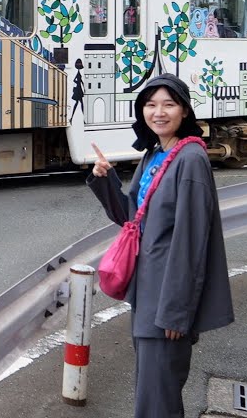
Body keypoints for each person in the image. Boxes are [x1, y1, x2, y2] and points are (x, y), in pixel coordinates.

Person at [87, 73, 234, 418]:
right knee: (152, 396)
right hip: (148, 293)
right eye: (151, 105)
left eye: (169, 104)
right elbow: (131, 219)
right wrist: (104, 178)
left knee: (157, 401)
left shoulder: (191, 160)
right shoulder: (156, 154)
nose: (159, 112)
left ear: (184, 110)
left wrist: (176, 311)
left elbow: (191, 242)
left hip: (166, 302)